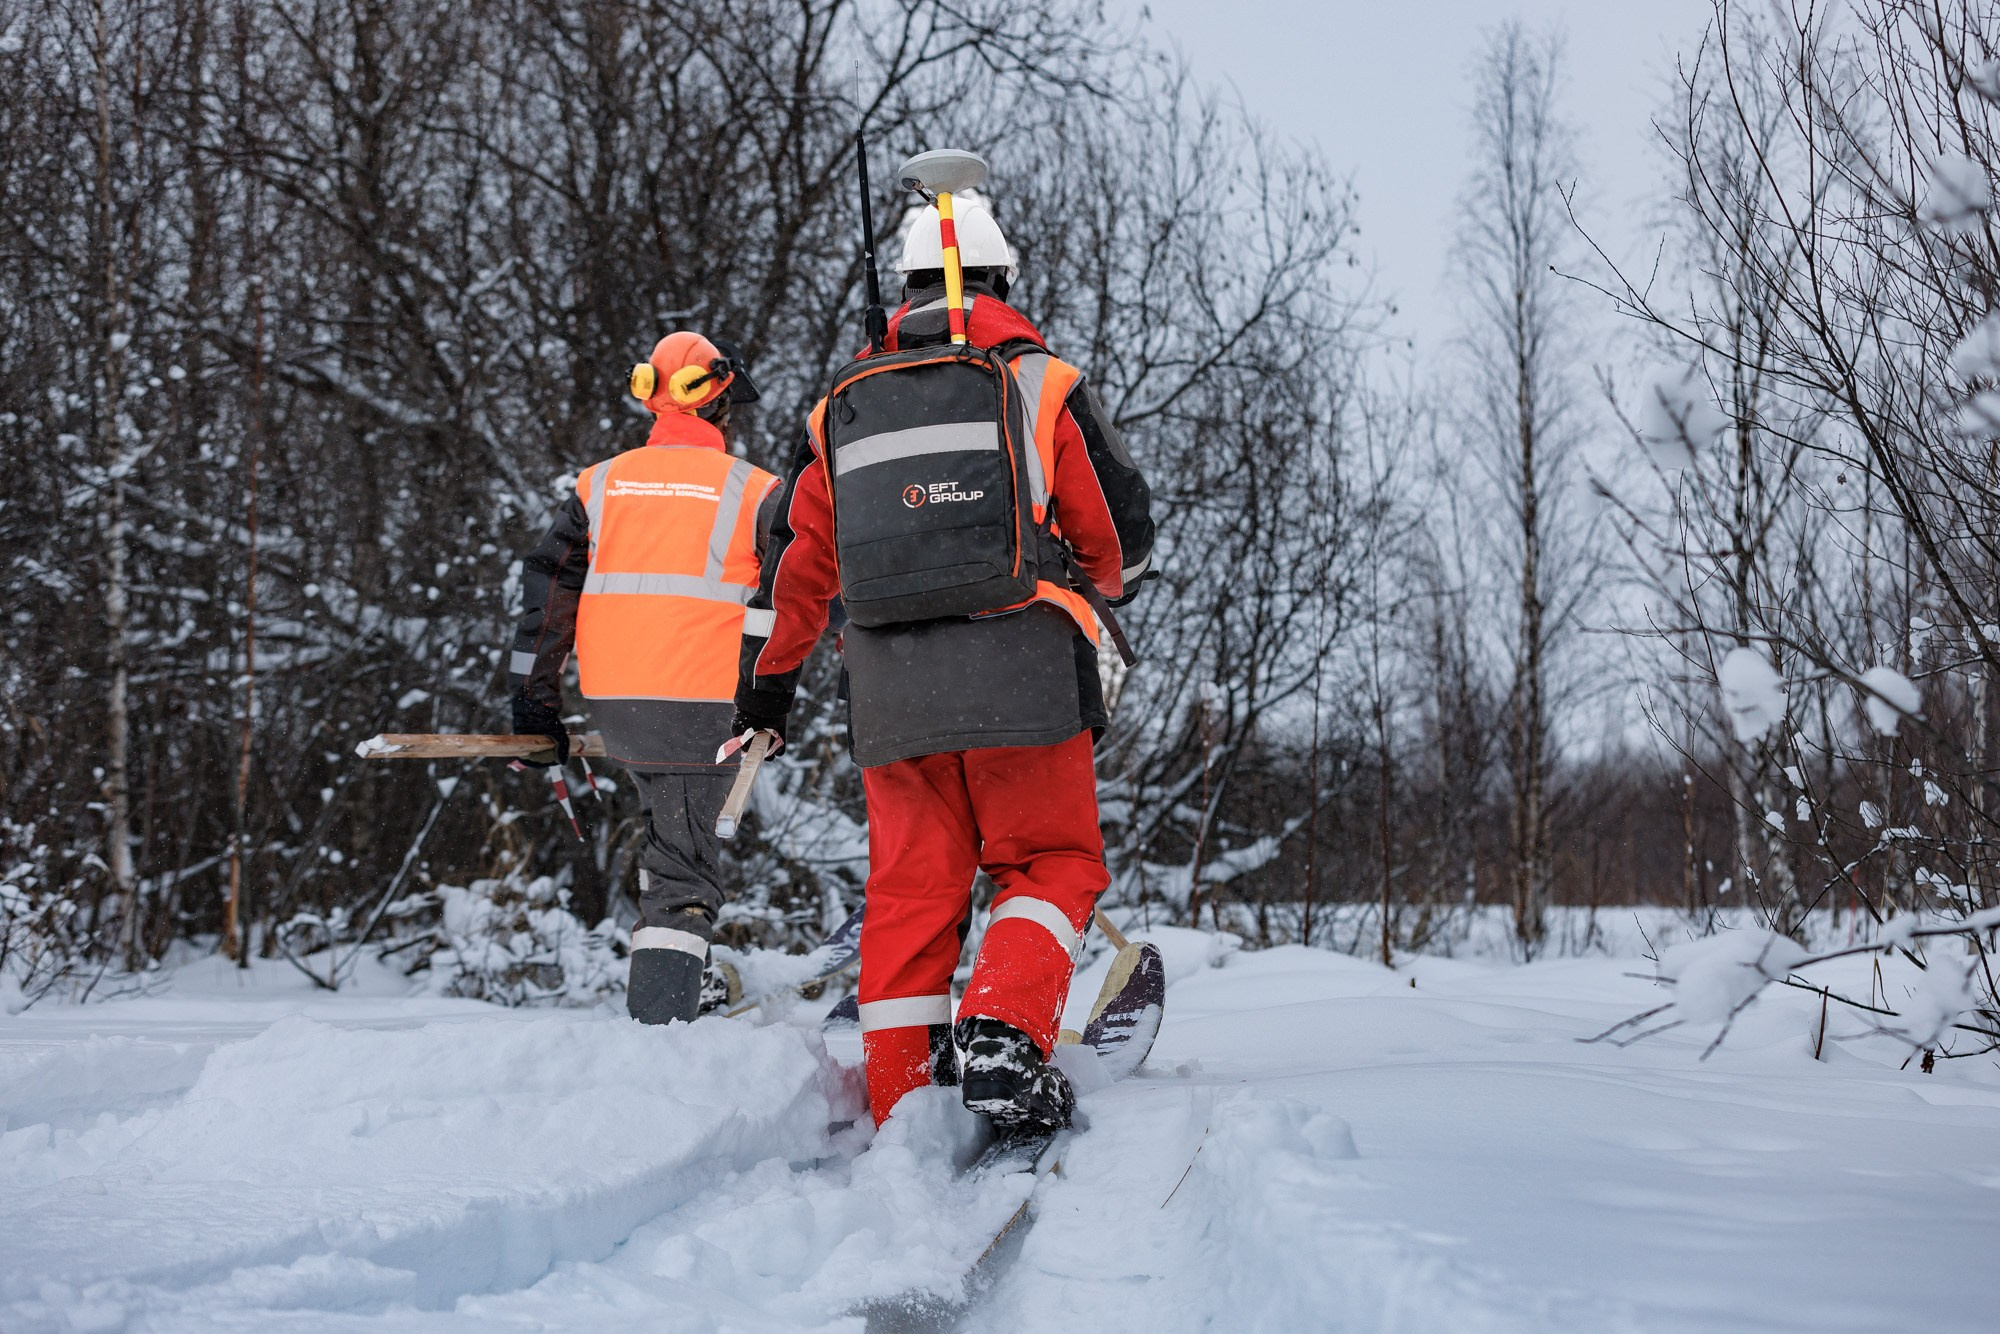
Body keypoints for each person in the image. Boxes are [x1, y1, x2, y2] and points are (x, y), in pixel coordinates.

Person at [733, 197, 1156, 1130]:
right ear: (1003, 281)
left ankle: (900, 1098)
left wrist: (767, 687)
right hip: (1027, 678)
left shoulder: (838, 405)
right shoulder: (1042, 383)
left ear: (905, 291)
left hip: (890, 696)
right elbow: (1117, 539)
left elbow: (798, 564)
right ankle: (1005, 1030)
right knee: (1050, 863)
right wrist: (1093, 581)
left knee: (910, 892)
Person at [509, 331, 780, 1025]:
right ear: (720, 402)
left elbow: (548, 587)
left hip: (616, 702)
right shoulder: (754, 492)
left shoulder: (600, 486)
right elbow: (799, 596)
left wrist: (534, 701)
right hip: (702, 699)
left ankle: (685, 977)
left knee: (670, 831)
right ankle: (660, 1028)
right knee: (685, 870)